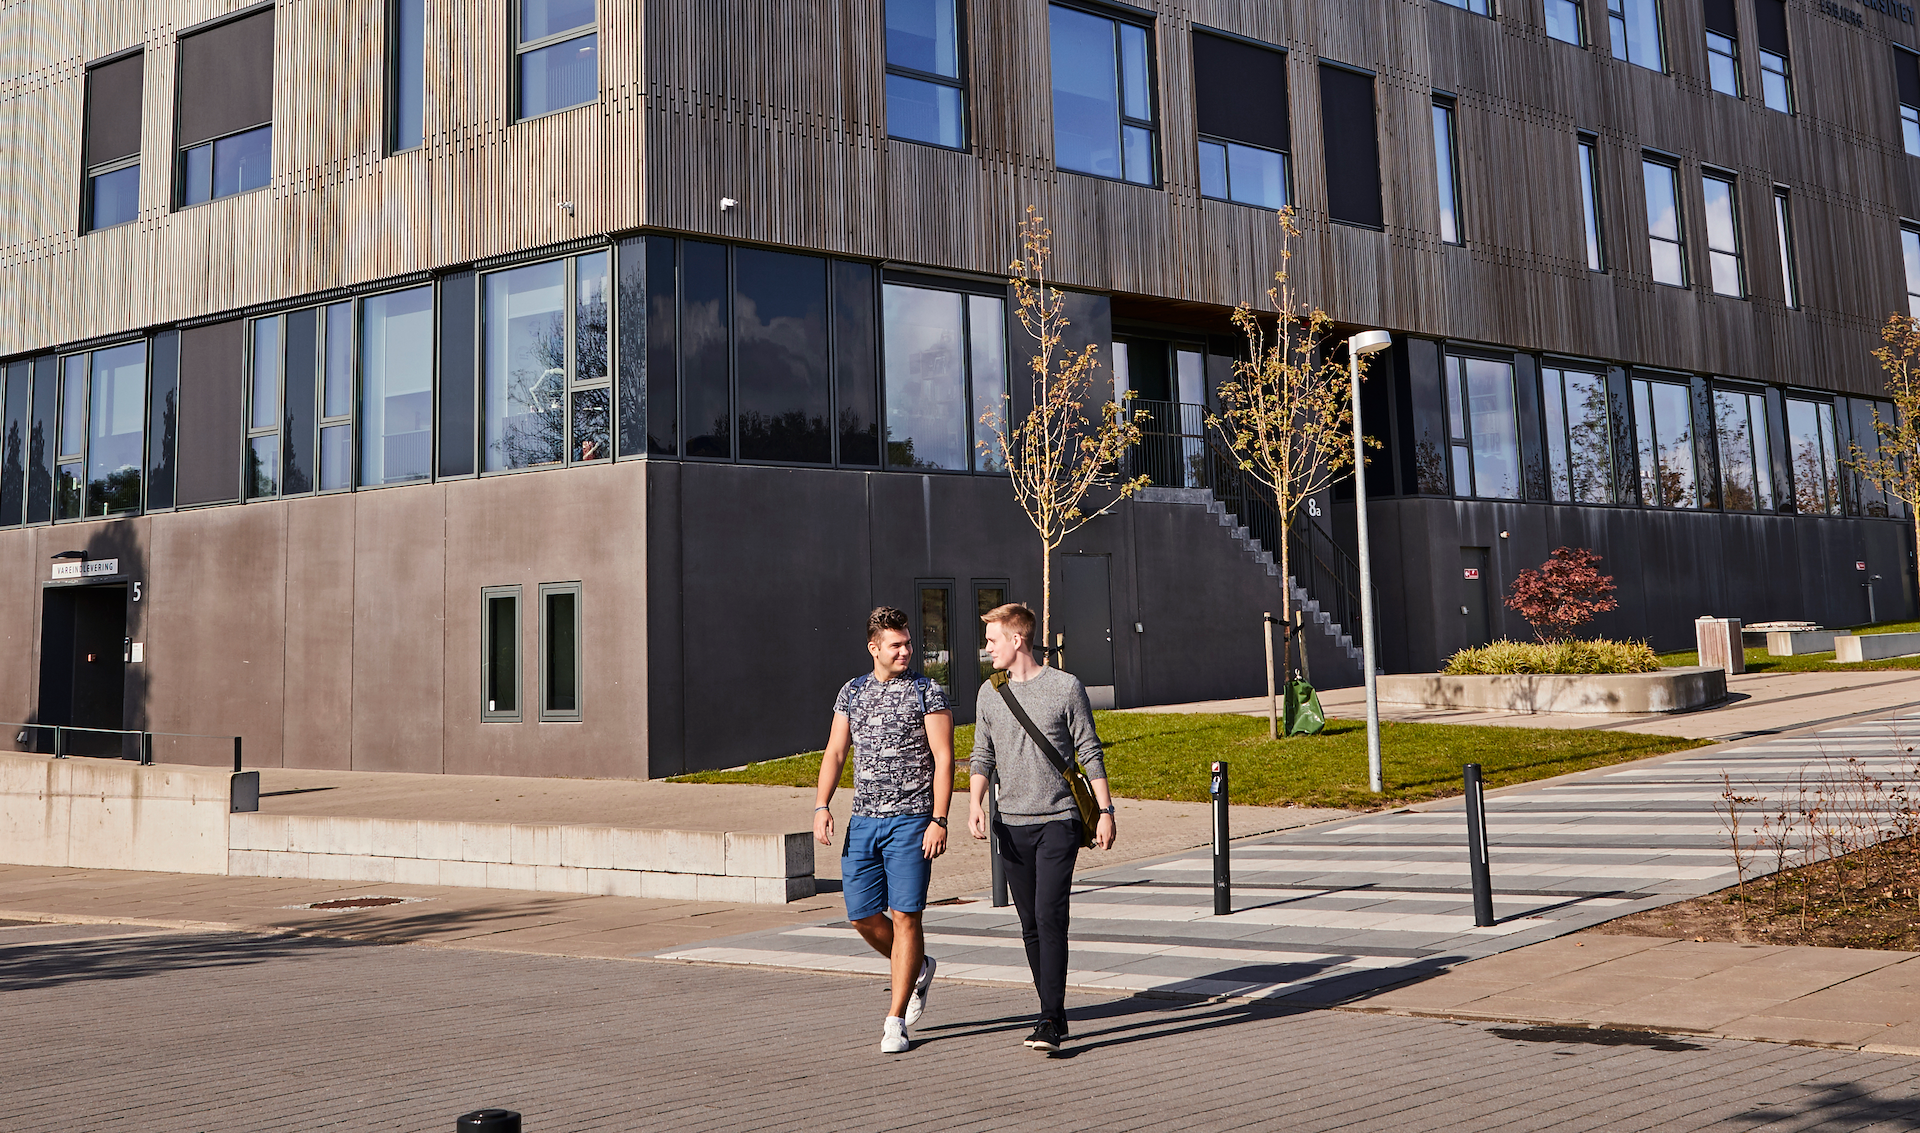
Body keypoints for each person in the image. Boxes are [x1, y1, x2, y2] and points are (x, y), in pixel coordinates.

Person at [967, 602, 1116, 1053]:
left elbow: (1089, 751)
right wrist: (974, 803)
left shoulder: (1065, 687)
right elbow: (982, 754)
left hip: (1058, 820)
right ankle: (1054, 1009)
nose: (987, 648)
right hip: (1011, 826)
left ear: (1017, 640)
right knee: (1030, 922)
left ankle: (1049, 1018)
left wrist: (1106, 811)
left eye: (992, 640)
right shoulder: (989, 693)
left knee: (1050, 915)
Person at [814, 606, 953, 1055]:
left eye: (908, 643)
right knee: (861, 916)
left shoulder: (927, 691)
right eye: (896, 645)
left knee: (906, 915)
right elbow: (836, 752)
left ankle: (895, 1021)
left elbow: (944, 758)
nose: (905, 651)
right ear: (873, 648)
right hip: (863, 821)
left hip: (912, 822)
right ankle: (918, 967)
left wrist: (939, 819)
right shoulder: (852, 691)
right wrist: (821, 805)